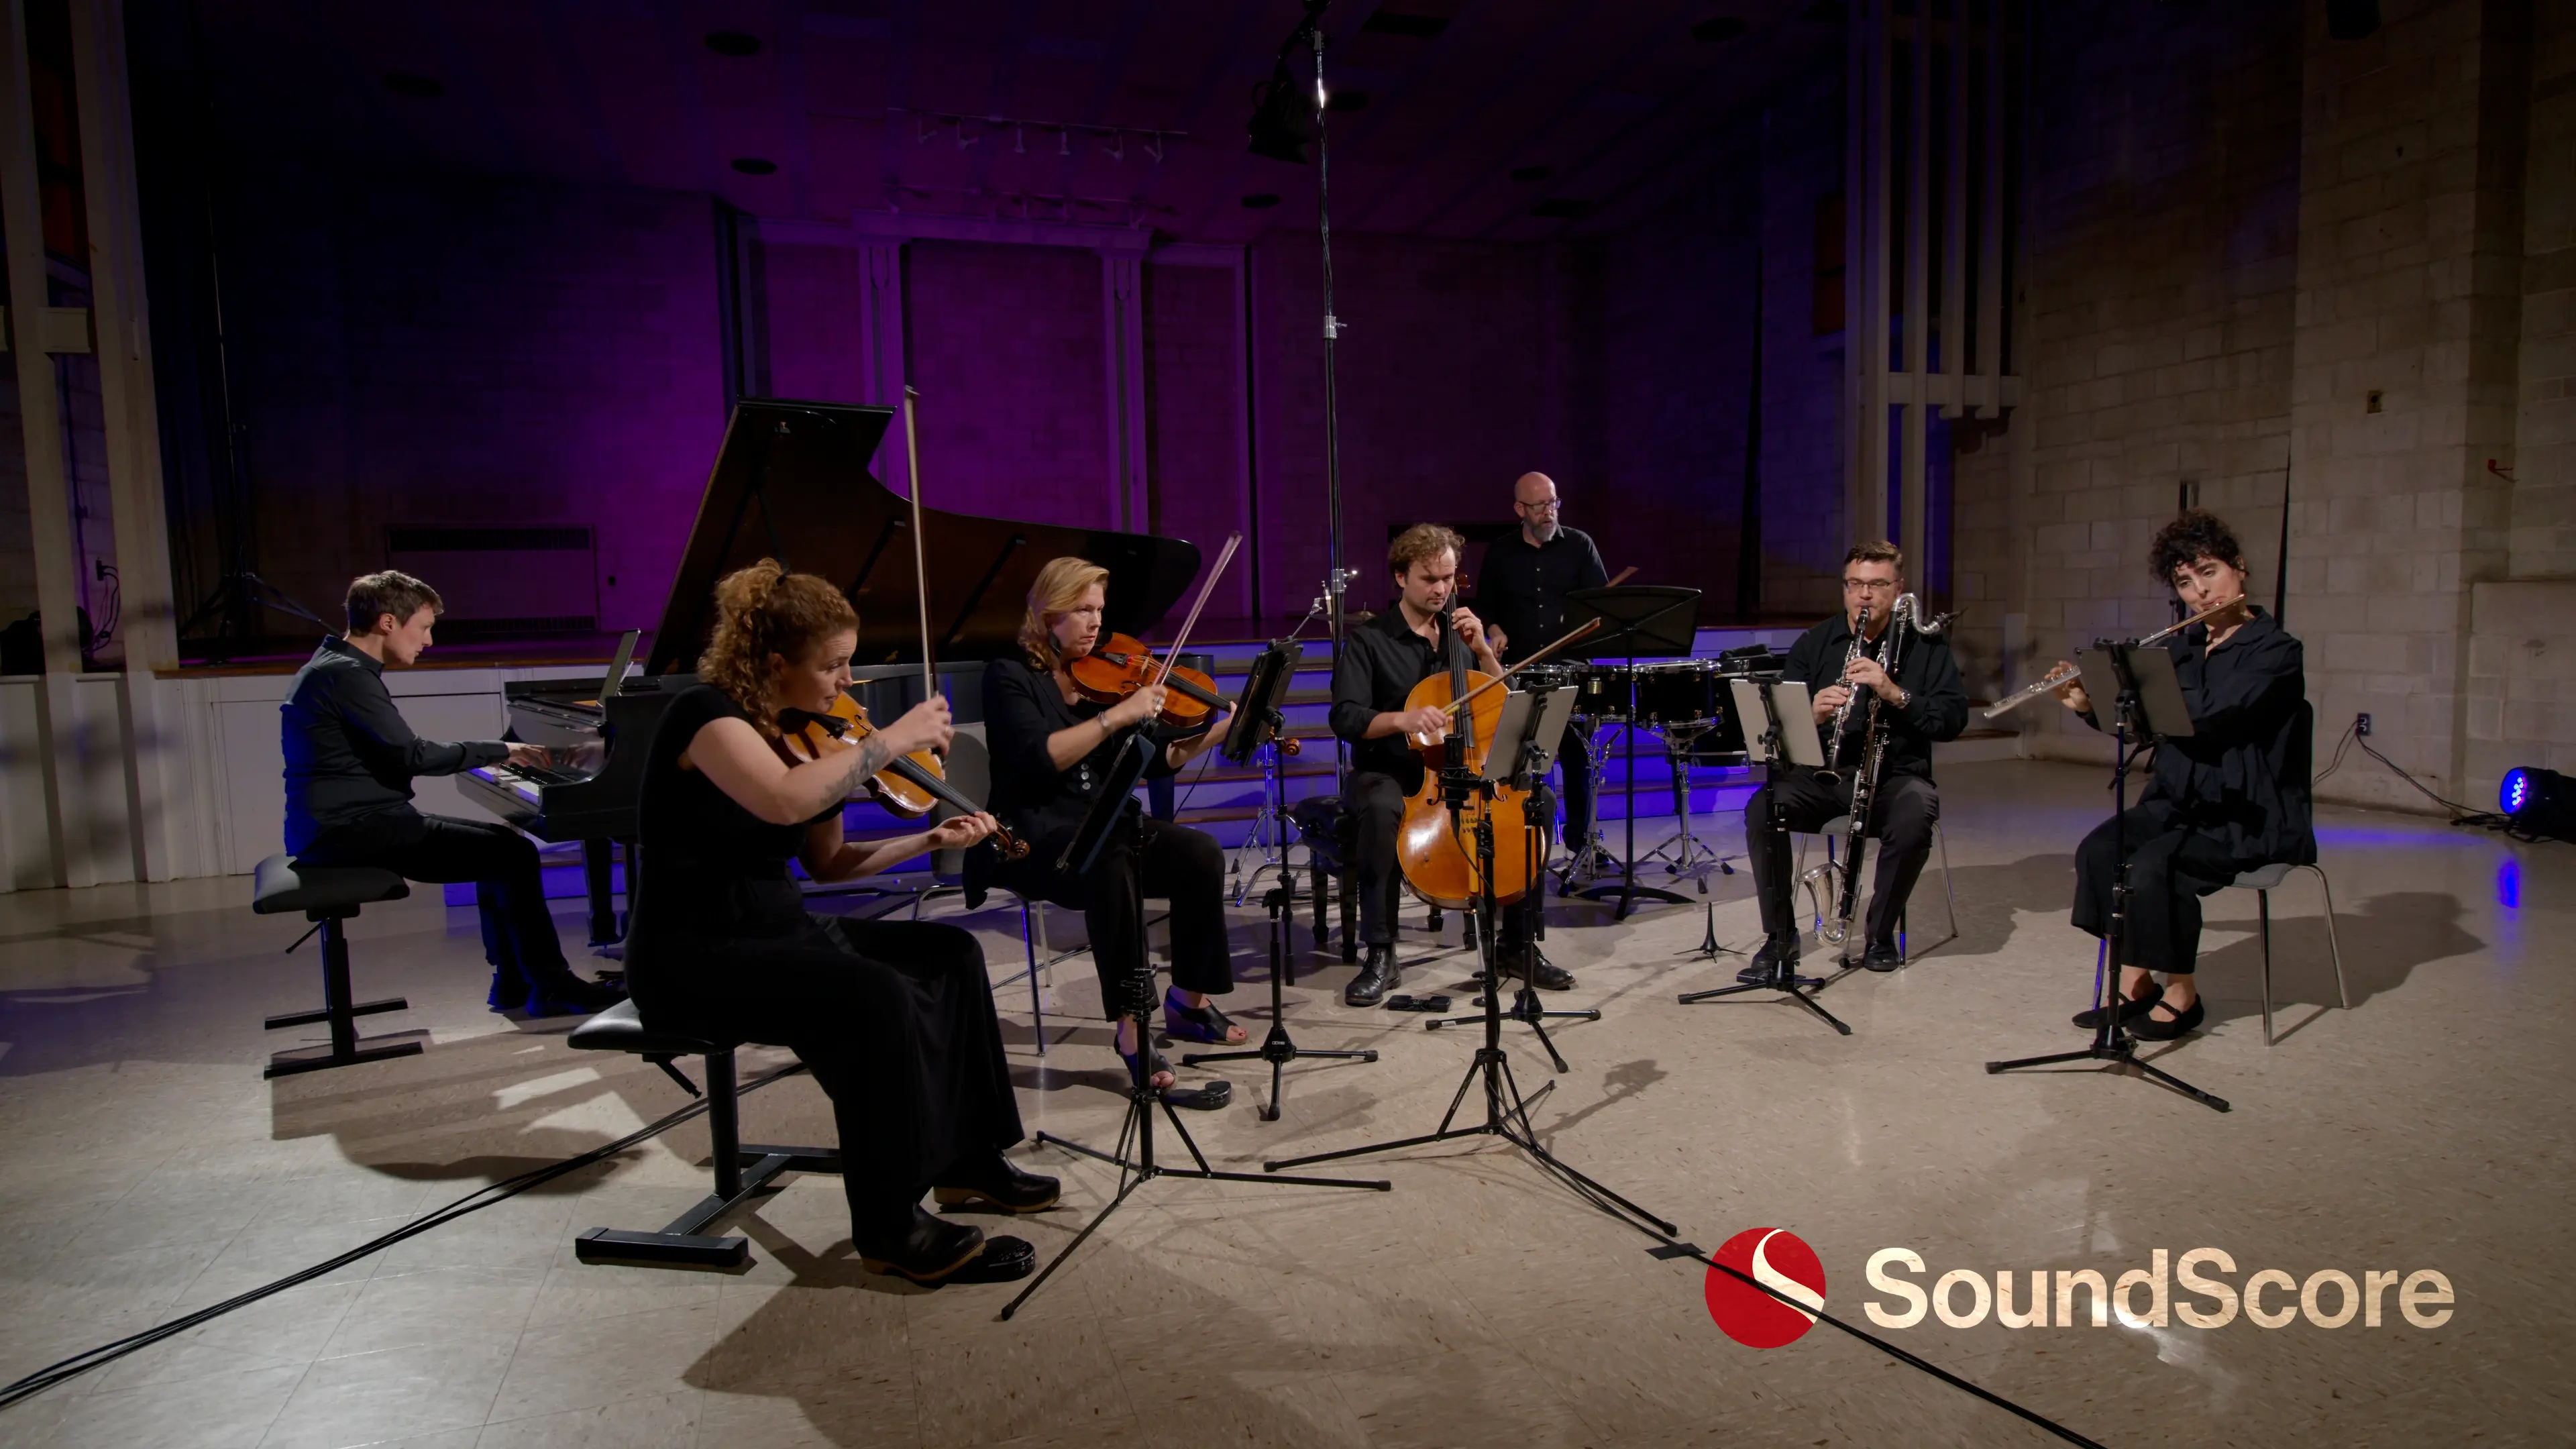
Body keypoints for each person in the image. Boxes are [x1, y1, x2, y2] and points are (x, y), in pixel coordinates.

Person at [625, 559, 1051, 1285]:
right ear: (774, 663)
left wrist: (928, 840)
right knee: (872, 996)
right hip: (695, 952)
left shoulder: (807, 736)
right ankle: (891, 1229)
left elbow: (828, 864)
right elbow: (786, 803)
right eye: (834, 668)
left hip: (777, 932)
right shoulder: (705, 717)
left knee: (947, 953)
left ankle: (967, 1162)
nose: (846, 685)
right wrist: (882, 744)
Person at [282, 570, 623, 1016]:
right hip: (351, 830)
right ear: (388, 623)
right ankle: (550, 984)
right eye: (423, 628)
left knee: (504, 848)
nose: (428, 641)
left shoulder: (332, 667)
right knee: (512, 856)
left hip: (339, 825)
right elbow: (413, 756)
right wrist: (502, 750)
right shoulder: (347, 676)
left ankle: (513, 981)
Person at [977, 557, 1242, 1095]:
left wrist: (1220, 731)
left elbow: (1159, 760)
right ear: (1048, 614)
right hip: (1032, 835)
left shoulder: (1104, 677)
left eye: (1099, 609)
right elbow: (1040, 757)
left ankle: (1189, 1002)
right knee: (1111, 859)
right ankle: (1132, 1027)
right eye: (1082, 610)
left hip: (1104, 823)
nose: (1097, 622)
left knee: (1200, 855)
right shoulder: (1009, 674)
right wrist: (1118, 717)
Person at [2053, 509, 2313, 1041]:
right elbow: (2148, 727)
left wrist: (2144, 682)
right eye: (2185, 583)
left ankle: (2183, 993)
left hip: (2247, 813)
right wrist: (2090, 703)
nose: (2200, 592)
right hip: (2179, 801)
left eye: (2209, 572)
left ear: (2238, 567)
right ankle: (2136, 982)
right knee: (2101, 852)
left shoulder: (2277, 652)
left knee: (2154, 868)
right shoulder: (2181, 649)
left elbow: (2215, 714)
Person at [1331, 523, 1570, 1008]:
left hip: (1464, 767)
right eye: (1429, 579)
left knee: (1537, 803)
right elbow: (1346, 715)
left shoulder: (1461, 639)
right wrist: (1403, 718)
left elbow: (1503, 703)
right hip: (1392, 770)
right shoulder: (1369, 641)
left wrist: (1483, 648)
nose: (1441, 589)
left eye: (1448, 578)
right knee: (1380, 810)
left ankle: (1517, 945)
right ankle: (1381, 953)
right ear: (1401, 577)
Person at [1741, 542, 1967, 974]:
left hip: (1894, 777)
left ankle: (1880, 936)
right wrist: (1810, 714)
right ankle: (1780, 937)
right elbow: (1778, 731)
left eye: (1877, 585)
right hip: (1826, 773)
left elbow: (1953, 720)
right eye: (1855, 584)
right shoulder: (1815, 643)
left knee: (1917, 813)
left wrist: (1894, 693)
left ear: (1897, 588)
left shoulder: (1927, 647)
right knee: (1763, 808)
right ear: (1845, 588)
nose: (1865, 595)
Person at [1473, 471, 1610, 865]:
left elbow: (1599, 607)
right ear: (1520, 509)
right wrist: (1494, 628)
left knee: (1578, 758)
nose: (1549, 512)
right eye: (1540, 506)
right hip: (1518, 672)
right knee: (1522, 761)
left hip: (1570, 670)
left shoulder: (1580, 545)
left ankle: (1583, 843)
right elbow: (1486, 607)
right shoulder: (1501, 552)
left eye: (1553, 503)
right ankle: (1522, 843)